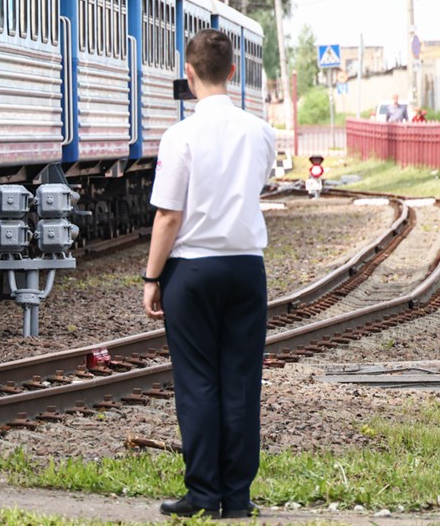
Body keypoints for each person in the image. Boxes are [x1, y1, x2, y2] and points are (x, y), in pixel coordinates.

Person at [142, 28, 276, 519]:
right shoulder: (260, 130)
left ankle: (202, 494)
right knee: (240, 381)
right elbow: (260, 184)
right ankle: (237, 498)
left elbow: (168, 217)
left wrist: (152, 278)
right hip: (245, 269)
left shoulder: (179, 136)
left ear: (190, 73)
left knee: (198, 382)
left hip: (191, 272)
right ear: (234, 73)